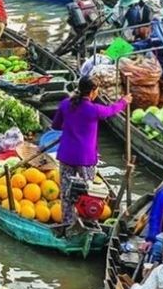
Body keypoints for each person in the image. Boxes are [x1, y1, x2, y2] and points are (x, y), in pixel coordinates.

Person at [51, 76, 131, 227]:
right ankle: (88, 221)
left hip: (67, 155)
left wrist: (71, 126)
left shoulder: (66, 104)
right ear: (93, 92)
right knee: (89, 192)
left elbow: (56, 125)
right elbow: (111, 110)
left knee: (66, 191)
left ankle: (67, 223)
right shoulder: (94, 110)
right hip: (85, 158)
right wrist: (124, 102)